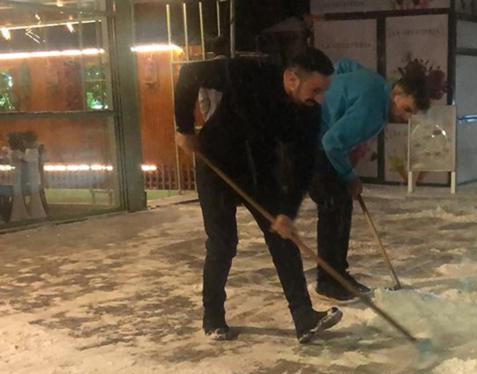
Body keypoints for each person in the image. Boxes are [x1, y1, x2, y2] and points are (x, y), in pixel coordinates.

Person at [174, 47, 342, 344]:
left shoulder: (310, 113)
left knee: (282, 237)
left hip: (258, 173)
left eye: (323, 92)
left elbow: (303, 165)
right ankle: (213, 316)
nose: (319, 99)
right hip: (217, 164)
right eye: (316, 89)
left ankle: (303, 317)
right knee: (223, 243)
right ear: (292, 79)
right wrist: (185, 129)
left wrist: (287, 212)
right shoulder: (249, 73)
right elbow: (190, 73)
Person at [310, 59, 431, 302]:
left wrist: (334, 94)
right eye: (406, 110)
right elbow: (332, 143)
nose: (407, 119)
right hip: (311, 141)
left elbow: (344, 66)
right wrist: (351, 177)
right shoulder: (373, 110)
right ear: (397, 93)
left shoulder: (375, 81)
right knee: (333, 206)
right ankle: (328, 281)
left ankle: (338, 274)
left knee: (341, 203)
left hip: (318, 134)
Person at [197, 36, 229, 123]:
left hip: (214, 119)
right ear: (227, 48)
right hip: (233, 119)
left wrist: (208, 117)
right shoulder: (235, 68)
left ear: (213, 51)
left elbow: (203, 100)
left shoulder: (206, 70)